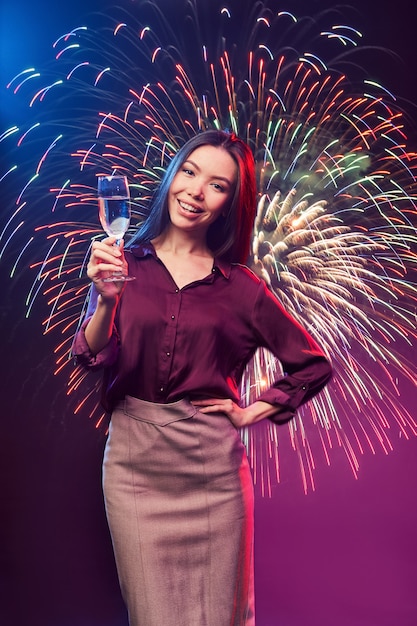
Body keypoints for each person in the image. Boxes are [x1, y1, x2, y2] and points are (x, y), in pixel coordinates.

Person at [72, 129, 332, 626]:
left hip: (214, 473)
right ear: (171, 177)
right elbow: (90, 357)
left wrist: (250, 411)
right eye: (189, 173)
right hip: (134, 470)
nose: (195, 192)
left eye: (217, 185)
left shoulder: (242, 288)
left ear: (231, 204)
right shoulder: (120, 263)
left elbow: (311, 364)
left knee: (224, 618)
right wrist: (106, 300)